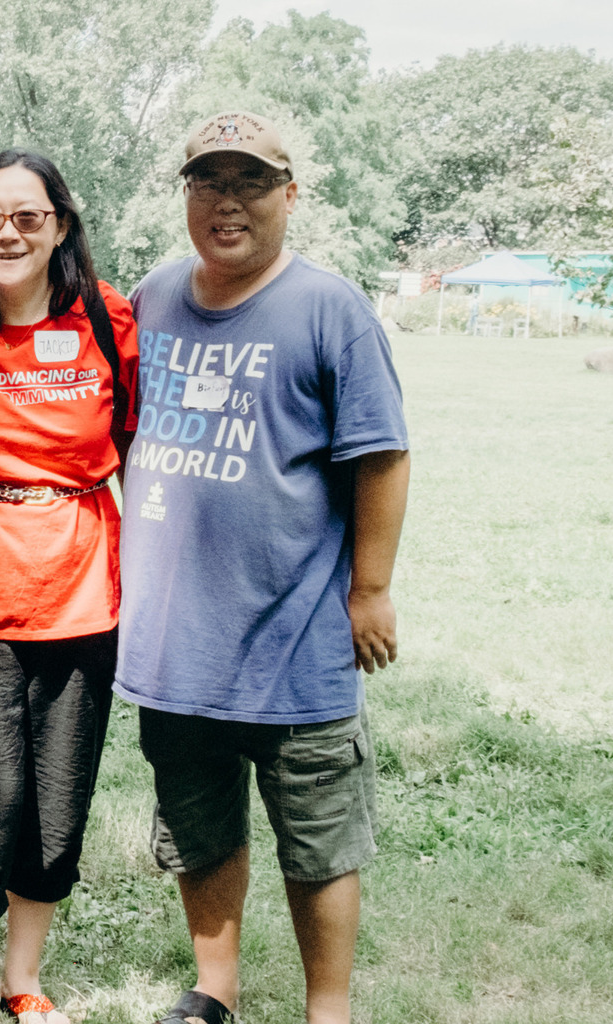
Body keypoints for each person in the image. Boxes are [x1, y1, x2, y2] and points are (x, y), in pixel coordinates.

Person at [117, 112, 410, 1024]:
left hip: (297, 634)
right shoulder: (155, 295)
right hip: (176, 638)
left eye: (250, 183)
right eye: (210, 182)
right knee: (199, 828)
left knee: (319, 839)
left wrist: (370, 589)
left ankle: (329, 1008)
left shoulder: (331, 308)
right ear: (188, 195)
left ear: (290, 195)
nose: (228, 202)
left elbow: (383, 456)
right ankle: (214, 990)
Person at [0, 150, 138, 1024]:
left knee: (57, 803)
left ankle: (23, 974)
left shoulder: (108, 318)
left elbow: (141, 437)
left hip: (84, 590)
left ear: (60, 223)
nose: (6, 233)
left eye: (27, 216)